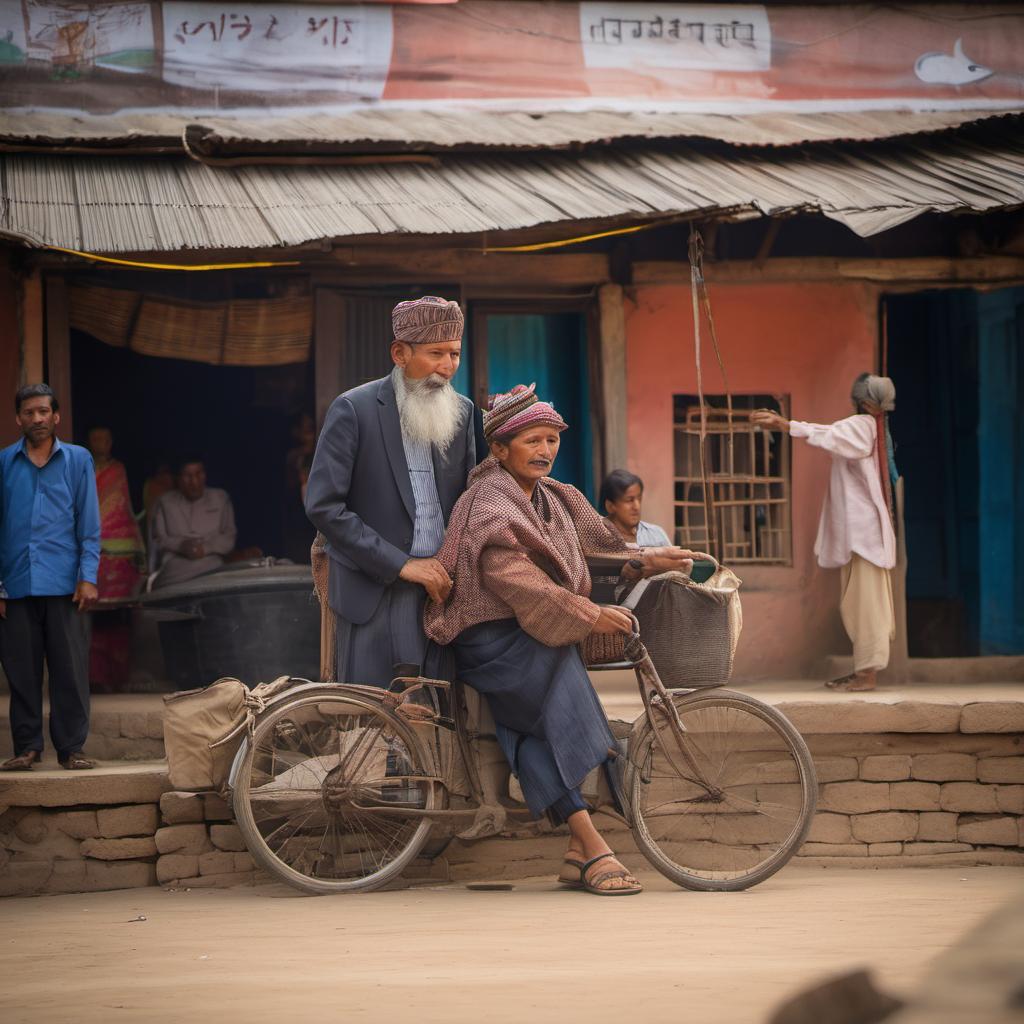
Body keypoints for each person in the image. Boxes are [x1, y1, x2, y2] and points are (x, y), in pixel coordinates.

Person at [425, 384, 695, 895]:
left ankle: (578, 849)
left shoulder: (555, 496)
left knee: (526, 733)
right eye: (532, 440)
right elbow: (513, 578)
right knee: (562, 682)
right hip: (489, 640)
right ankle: (591, 841)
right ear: (500, 450)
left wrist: (646, 559)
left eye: (552, 439)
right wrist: (588, 614)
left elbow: (600, 548)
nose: (546, 449)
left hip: (535, 630)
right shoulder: (489, 503)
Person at [305, 295, 480, 687]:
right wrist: (401, 564)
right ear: (400, 353)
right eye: (436, 353)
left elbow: (471, 499)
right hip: (376, 589)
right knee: (375, 723)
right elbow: (324, 507)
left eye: (454, 354)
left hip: (440, 593)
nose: (447, 367)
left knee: (432, 716)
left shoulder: (464, 412)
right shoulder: (353, 409)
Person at [751, 374, 898, 692]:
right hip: (863, 536)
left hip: (864, 536)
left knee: (865, 606)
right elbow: (834, 436)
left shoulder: (863, 425)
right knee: (859, 604)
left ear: (862, 401)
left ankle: (867, 675)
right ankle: (863, 671)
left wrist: (785, 425)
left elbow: (829, 434)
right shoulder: (873, 428)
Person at [0, 384, 100, 771]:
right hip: (16, 584)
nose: (37, 418)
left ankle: (71, 748)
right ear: (18, 419)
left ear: (56, 416)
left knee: (70, 671)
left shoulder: (78, 459)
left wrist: (87, 576)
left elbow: (89, 523)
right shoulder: (5, 463)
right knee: (20, 673)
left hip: (66, 586)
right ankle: (27, 748)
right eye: (29, 412)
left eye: (44, 411)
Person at [86, 425, 145, 692]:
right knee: (91, 616)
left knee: (119, 617)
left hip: (121, 553)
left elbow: (125, 508)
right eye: (97, 439)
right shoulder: (81, 468)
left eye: (106, 438)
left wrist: (136, 548)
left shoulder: (118, 469)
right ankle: (95, 680)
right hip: (89, 553)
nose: (102, 443)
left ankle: (118, 678)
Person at [149, 456, 239, 589]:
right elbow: (158, 540)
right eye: (187, 475)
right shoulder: (165, 502)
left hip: (212, 565)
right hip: (175, 569)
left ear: (205, 475)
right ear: (178, 479)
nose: (194, 481)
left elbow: (229, 536)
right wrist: (181, 546)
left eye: (198, 474)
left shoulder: (220, 498)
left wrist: (205, 548)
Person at [599, 469, 672, 546]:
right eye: (629, 500)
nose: (637, 507)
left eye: (639, 499)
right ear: (611, 506)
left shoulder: (656, 535)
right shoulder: (598, 538)